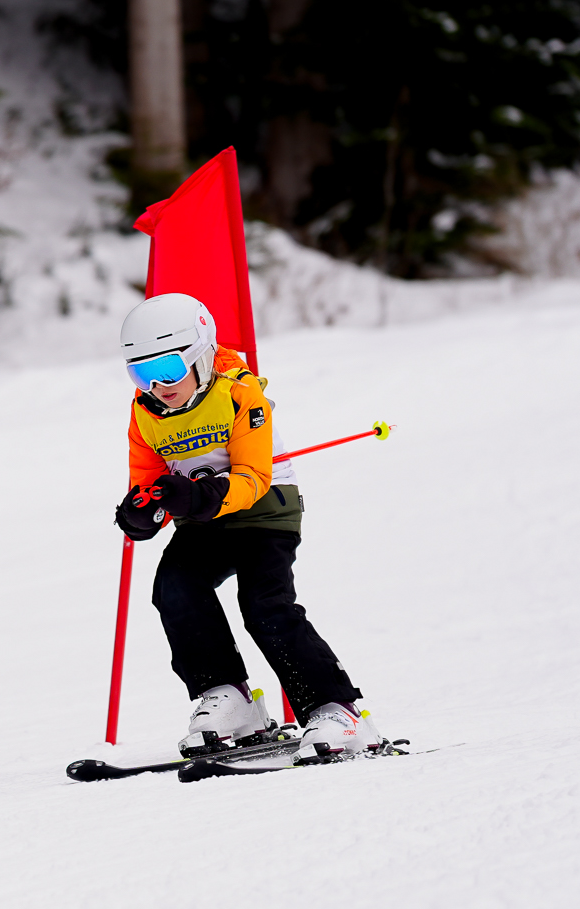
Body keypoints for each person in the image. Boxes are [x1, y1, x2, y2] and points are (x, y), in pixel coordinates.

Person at [111, 292, 383, 762]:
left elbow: (253, 478)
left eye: (169, 369)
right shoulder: (145, 414)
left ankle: (336, 709)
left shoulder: (240, 394)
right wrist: (142, 513)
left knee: (264, 605)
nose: (158, 385)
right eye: (141, 373)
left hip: (266, 513)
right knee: (175, 588)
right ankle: (229, 698)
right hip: (203, 522)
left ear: (200, 355)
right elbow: (149, 486)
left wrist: (193, 497)